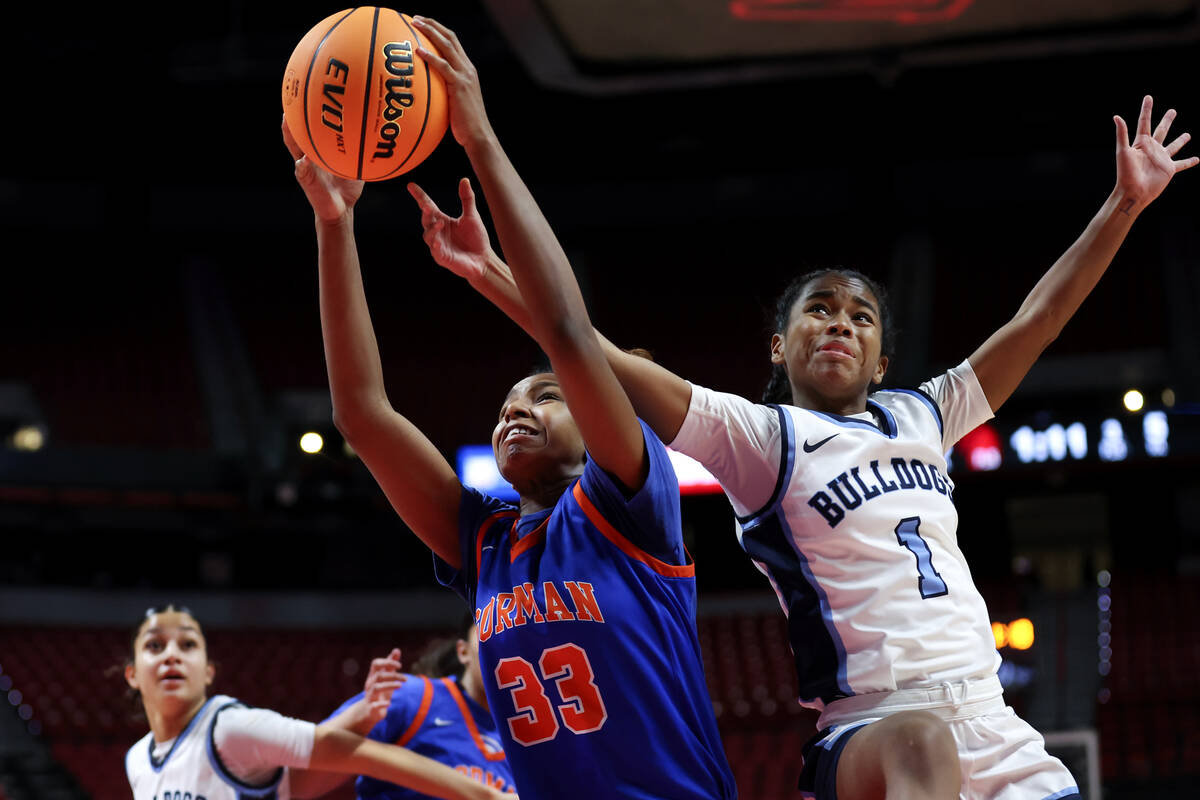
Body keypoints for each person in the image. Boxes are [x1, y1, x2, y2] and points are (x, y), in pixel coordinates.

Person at [412, 75, 1195, 800]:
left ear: (882, 359)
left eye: (860, 316)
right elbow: (583, 341)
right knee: (920, 742)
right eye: (818, 309)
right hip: (870, 726)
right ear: (779, 348)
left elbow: (1040, 318)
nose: (840, 323)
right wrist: (488, 273)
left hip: (992, 717)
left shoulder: (927, 413)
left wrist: (1123, 204)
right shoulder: (761, 438)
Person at [282, 15, 736, 798]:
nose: (516, 409)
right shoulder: (484, 544)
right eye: (506, 403)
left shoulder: (629, 500)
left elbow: (566, 331)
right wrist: (335, 224)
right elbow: (361, 413)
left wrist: (479, 138)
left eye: (545, 395)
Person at [122, 605, 513, 800]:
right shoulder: (137, 760)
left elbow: (346, 753)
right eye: (155, 645)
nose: (171, 655)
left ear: (209, 670)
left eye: (188, 644)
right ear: (132, 673)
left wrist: (491, 798)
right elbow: (325, 752)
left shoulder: (228, 726)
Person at [289, 613, 517, 798]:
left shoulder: (529, 732)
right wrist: (358, 723)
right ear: (463, 652)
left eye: (510, 641)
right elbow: (295, 783)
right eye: (488, 635)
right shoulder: (411, 696)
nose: (500, 649)